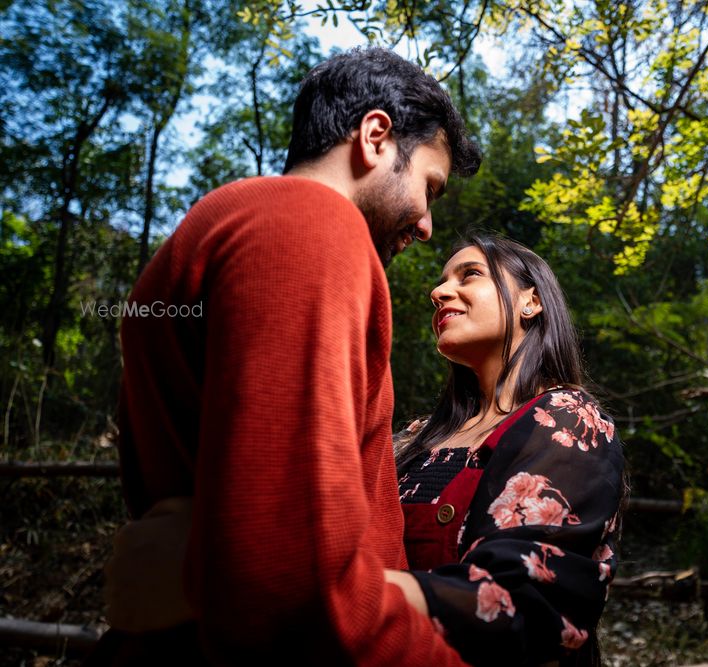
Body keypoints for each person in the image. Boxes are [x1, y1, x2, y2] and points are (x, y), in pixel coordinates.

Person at [87, 46, 482, 666]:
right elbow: (290, 578)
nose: (427, 224)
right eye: (428, 187)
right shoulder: (310, 223)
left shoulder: (214, 223)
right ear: (376, 136)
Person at [105, 234, 627, 666]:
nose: (439, 291)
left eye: (468, 275)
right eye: (441, 279)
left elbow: (525, 595)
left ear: (532, 301)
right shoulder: (417, 436)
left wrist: (301, 597)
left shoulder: (567, 420)